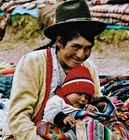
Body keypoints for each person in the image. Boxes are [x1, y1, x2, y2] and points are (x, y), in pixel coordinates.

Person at [2, 0, 106, 139]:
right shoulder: (33, 63)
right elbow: (18, 117)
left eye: (87, 48)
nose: (81, 55)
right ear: (59, 41)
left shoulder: (88, 67)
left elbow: (96, 105)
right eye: (75, 47)